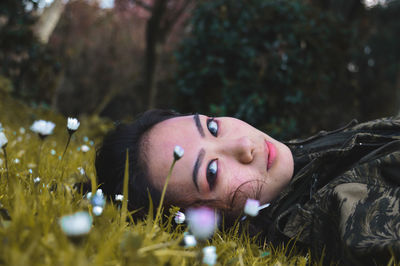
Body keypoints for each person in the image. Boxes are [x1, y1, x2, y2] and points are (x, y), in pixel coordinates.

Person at [95, 109, 400, 264]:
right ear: (201, 220)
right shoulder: (348, 213)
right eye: (212, 171)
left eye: (212, 127)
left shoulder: (294, 163)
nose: (243, 144)